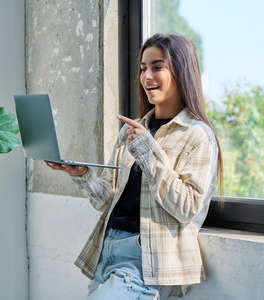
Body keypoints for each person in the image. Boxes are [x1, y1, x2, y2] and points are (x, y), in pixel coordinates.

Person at [45, 33, 222, 299]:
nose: (147, 76)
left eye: (157, 67)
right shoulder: (132, 131)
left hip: (145, 261)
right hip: (108, 250)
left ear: (181, 70)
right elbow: (108, 200)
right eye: (142, 69)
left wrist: (148, 149)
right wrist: (83, 176)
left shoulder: (196, 135)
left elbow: (187, 208)